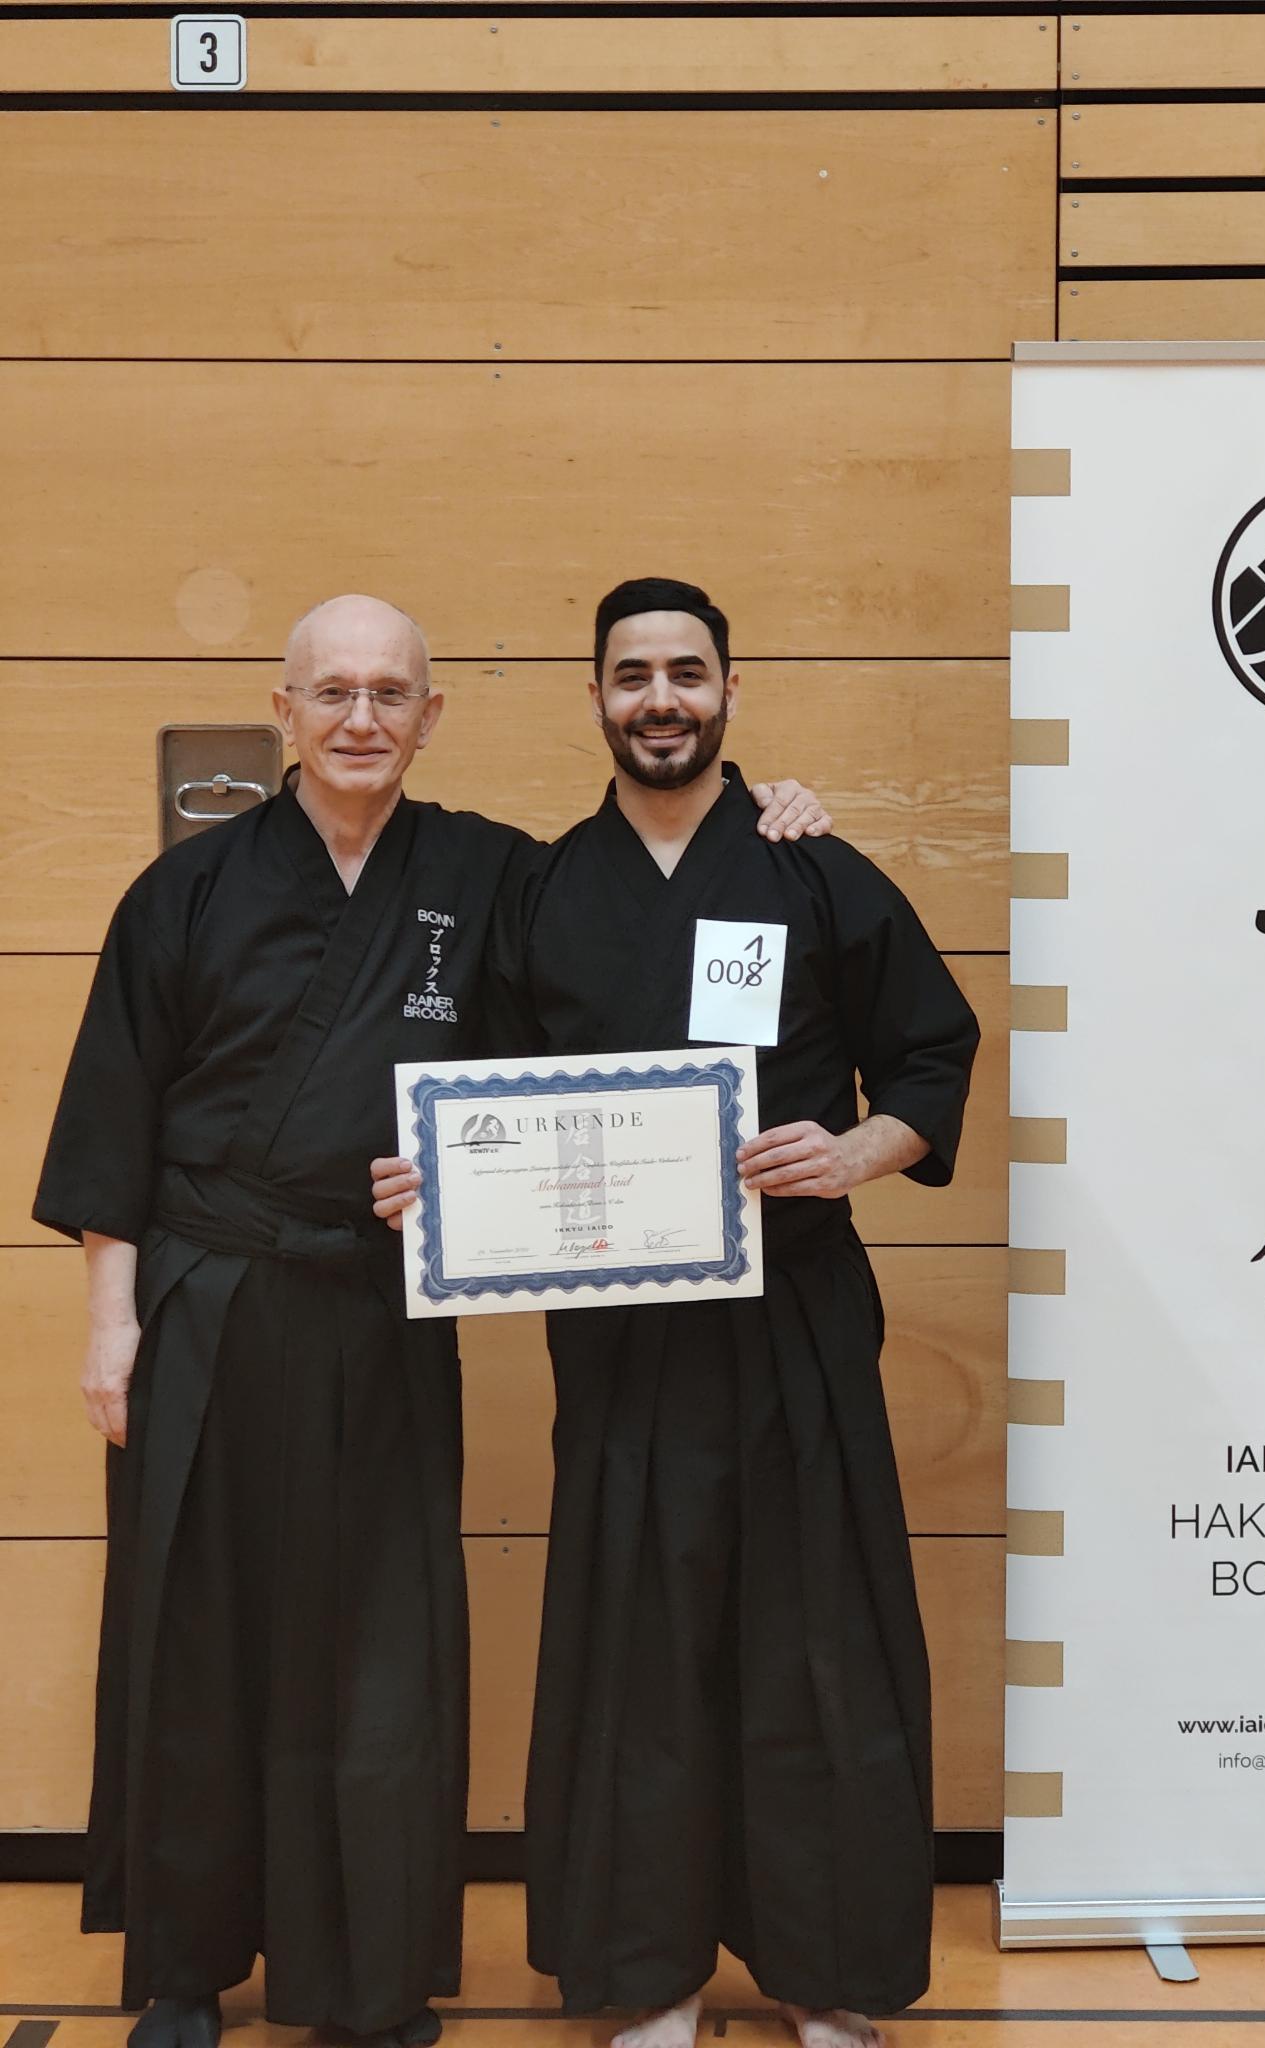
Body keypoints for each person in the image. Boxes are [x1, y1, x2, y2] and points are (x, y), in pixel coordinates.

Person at [32, 593, 829, 2048]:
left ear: (431, 714)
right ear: (284, 711)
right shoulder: (184, 892)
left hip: (381, 1303)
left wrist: (764, 812)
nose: (361, 719)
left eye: (391, 693)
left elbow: (626, 933)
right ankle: (185, 1973)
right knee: (197, 1632)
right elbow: (112, 1117)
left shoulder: (489, 875)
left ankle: (367, 1980)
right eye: (333, 691)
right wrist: (110, 1322)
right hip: (207, 1299)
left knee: (382, 1646)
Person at [373, 577, 980, 2048]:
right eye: (633, 674)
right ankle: (643, 1972)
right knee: (635, 1641)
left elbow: (931, 1055)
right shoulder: (541, 888)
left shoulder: (813, 868)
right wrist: (437, 1179)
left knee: (815, 1632)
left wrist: (853, 1154)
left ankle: (826, 1970)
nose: (661, 698)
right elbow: (484, 1092)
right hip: (624, 1333)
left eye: (687, 673)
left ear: (728, 690)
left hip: (796, 1318)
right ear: (595, 695)